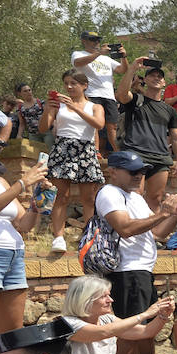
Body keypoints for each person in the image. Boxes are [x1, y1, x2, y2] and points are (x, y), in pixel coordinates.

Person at [95, 151, 177, 354]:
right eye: (133, 171)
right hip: (126, 273)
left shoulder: (135, 197)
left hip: (142, 273)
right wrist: (163, 213)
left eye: (142, 171)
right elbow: (125, 228)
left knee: (147, 333)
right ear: (113, 172)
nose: (139, 175)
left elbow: (157, 233)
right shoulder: (109, 193)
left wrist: (174, 214)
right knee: (129, 334)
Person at [63, 275, 173, 354]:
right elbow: (103, 332)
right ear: (85, 300)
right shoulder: (68, 324)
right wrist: (145, 315)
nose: (110, 300)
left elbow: (146, 332)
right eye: (103, 297)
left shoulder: (107, 319)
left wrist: (162, 315)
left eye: (109, 295)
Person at [42, 71, 106, 254]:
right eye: (66, 83)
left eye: (73, 83)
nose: (69, 87)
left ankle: (90, 238)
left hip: (85, 149)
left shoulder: (95, 106)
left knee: (89, 198)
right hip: (62, 148)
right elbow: (42, 127)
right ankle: (58, 238)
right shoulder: (59, 106)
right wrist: (48, 109)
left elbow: (99, 124)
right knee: (61, 196)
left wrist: (76, 108)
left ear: (84, 85)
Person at [113, 57, 177, 212]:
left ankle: (151, 234)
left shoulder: (170, 110)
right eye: (152, 75)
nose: (156, 78)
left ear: (164, 83)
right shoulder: (137, 99)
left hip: (160, 156)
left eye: (160, 76)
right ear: (145, 79)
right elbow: (121, 95)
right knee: (134, 196)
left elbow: (176, 137)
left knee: (156, 198)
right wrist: (132, 68)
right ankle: (130, 231)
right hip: (135, 153)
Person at [0, 161, 47, 334]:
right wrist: (23, 183)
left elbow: (23, 224)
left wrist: (37, 200)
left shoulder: (1, 182)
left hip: (14, 255)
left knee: (12, 333)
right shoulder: (13, 185)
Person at [70, 31, 126, 153]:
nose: (96, 42)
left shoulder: (106, 59)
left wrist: (123, 57)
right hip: (91, 93)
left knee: (113, 126)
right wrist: (98, 53)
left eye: (98, 40)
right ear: (83, 41)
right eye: (92, 39)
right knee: (94, 124)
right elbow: (77, 63)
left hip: (109, 95)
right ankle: (95, 151)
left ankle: (118, 152)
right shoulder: (78, 54)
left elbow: (122, 70)